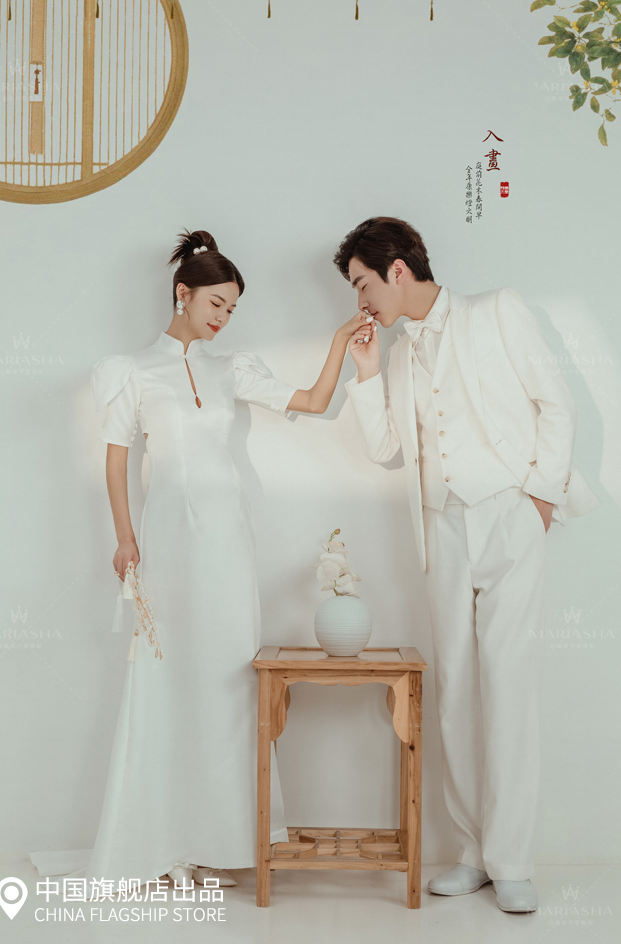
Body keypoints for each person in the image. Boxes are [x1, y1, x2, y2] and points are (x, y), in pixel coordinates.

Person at [30, 229, 373, 894]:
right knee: (167, 681)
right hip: (166, 542)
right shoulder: (132, 371)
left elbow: (312, 401)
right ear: (182, 293)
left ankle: (224, 839)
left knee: (228, 681)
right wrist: (125, 539)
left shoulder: (231, 368)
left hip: (227, 543)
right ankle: (164, 839)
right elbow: (115, 460)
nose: (224, 318)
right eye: (216, 303)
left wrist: (339, 343)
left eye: (233, 309)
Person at [334, 216, 600, 913]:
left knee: (507, 684)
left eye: (362, 284)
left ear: (396, 270)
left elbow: (556, 403)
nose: (361, 301)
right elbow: (388, 450)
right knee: (454, 690)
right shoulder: (397, 356)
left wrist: (539, 499)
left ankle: (512, 859)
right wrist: (366, 371)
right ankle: (473, 853)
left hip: (510, 513)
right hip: (442, 526)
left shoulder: (496, 310)